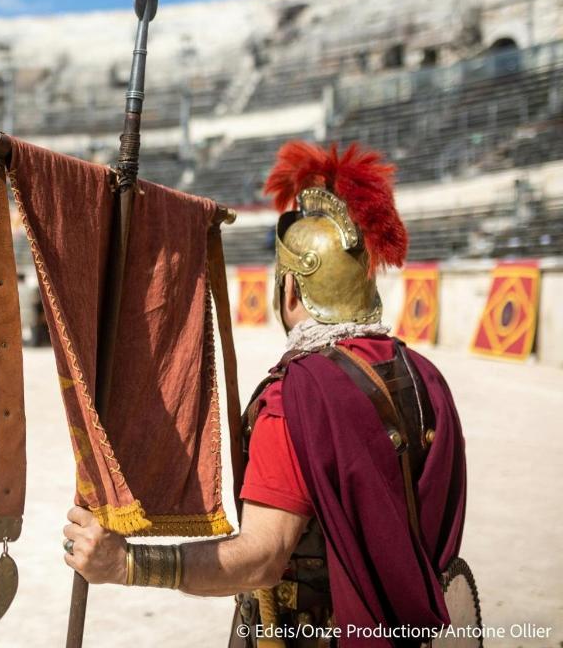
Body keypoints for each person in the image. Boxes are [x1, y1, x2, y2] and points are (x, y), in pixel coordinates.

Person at [60, 142, 467, 647]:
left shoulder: (297, 396)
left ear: (291, 290)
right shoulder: (426, 376)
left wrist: (127, 564)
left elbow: (262, 558)